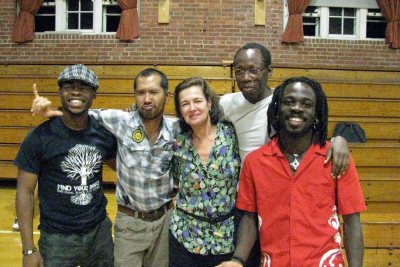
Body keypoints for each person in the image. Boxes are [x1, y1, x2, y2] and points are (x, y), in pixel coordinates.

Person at [219, 42, 350, 266]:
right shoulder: (226, 103)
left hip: (283, 193)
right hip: (250, 198)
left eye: (253, 69)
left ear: (269, 71)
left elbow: (313, 125)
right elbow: (197, 118)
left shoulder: (283, 102)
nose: (246, 77)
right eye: (239, 70)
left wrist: (340, 140)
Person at [31, 68, 176, 267]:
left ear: (167, 96)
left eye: (153, 92)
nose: (147, 98)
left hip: (165, 220)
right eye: (141, 93)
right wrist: (50, 111)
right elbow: (79, 111)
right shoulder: (120, 121)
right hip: (130, 222)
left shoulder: (177, 128)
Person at [15, 64, 117, 267]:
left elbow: (122, 168)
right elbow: (25, 192)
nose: (76, 91)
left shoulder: (103, 135)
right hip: (56, 238)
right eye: (70, 86)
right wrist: (28, 249)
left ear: (94, 94)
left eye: (84, 87)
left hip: (99, 233)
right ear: (60, 92)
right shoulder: (40, 137)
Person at [169, 78, 241, 267]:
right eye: (185, 104)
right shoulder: (177, 141)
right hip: (184, 235)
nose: (192, 108)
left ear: (209, 103)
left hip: (224, 237)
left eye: (197, 101)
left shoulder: (232, 134)